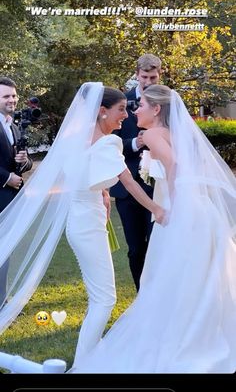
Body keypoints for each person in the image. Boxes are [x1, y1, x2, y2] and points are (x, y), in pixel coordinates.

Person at [70, 84, 236, 374]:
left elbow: (174, 168)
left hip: (179, 210)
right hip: (194, 209)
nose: (135, 111)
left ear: (157, 109)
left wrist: (173, 203)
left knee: (172, 276)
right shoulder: (170, 134)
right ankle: (203, 330)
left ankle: (183, 335)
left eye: (140, 106)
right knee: (198, 276)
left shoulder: (154, 134)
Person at [0, 83, 164, 364]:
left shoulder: (76, 140)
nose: (126, 115)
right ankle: (84, 364)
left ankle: (93, 357)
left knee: (99, 297)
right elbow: (128, 182)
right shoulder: (107, 143)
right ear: (102, 112)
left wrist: (99, 190)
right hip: (88, 225)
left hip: (80, 221)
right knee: (105, 299)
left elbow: (78, 175)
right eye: (121, 109)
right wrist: (157, 209)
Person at [110, 53, 162, 291]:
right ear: (137, 75)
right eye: (144, 77)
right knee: (135, 248)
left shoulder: (166, 101)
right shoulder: (123, 101)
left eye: (153, 76)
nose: (149, 82)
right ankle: (142, 294)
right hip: (127, 188)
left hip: (158, 187)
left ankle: (158, 292)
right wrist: (136, 143)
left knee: (158, 244)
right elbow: (112, 139)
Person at [0, 76, 33, 306]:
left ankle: (2, 301)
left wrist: (24, 162)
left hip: (11, 199)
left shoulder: (14, 125)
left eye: (13, 95)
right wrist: (6, 177)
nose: (12, 99)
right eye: (6, 96)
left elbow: (24, 163)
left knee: (5, 252)